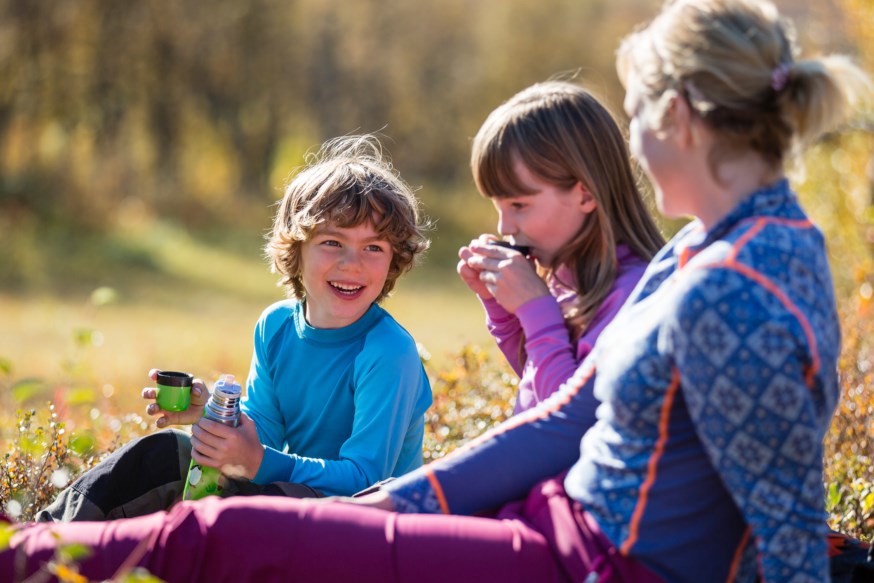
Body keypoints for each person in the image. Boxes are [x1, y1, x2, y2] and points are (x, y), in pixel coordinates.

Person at [2, 0, 869, 581]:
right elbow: (564, 417)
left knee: (222, 537)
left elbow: (788, 527)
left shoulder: (740, 289)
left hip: (580, 560)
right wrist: (397, 502)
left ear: (677, 118)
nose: (635, 145)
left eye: (638, 118)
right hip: (546, 516)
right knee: (218, 521)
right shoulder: (715, 248)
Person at [34, 134, 433, 521]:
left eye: (374, 247)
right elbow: (266, 441)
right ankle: (40, 539)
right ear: (296, 250)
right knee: (164, 454)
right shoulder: (276, 328)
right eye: (332, 242)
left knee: (257, 506)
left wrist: (256, 460)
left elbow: (367, 481)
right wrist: (215, 417)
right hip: (297, 501)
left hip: (368, 528)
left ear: (394, 260)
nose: (353, 263)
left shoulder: (387, 351)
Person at [457, 80, 664, 414]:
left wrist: (535, 308)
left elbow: (570, 422)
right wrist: (501, 308)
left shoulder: (633, 297)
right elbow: (536, 379)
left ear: (585, 194)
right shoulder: (568, 278)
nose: (504, 228)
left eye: (519, 205)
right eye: (499, 207)